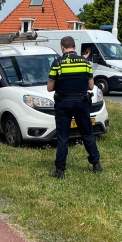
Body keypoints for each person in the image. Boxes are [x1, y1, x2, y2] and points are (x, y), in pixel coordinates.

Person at [47, 36, 102, 178]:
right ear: (75, 47)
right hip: (82, 102)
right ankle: (96, 164)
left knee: (63, 137)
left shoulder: (57, 63)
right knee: (87, 133)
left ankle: (60, 170)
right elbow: (90, 86)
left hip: (63, 103)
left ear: (62, 47)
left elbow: (49, 87)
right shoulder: (85, 62)